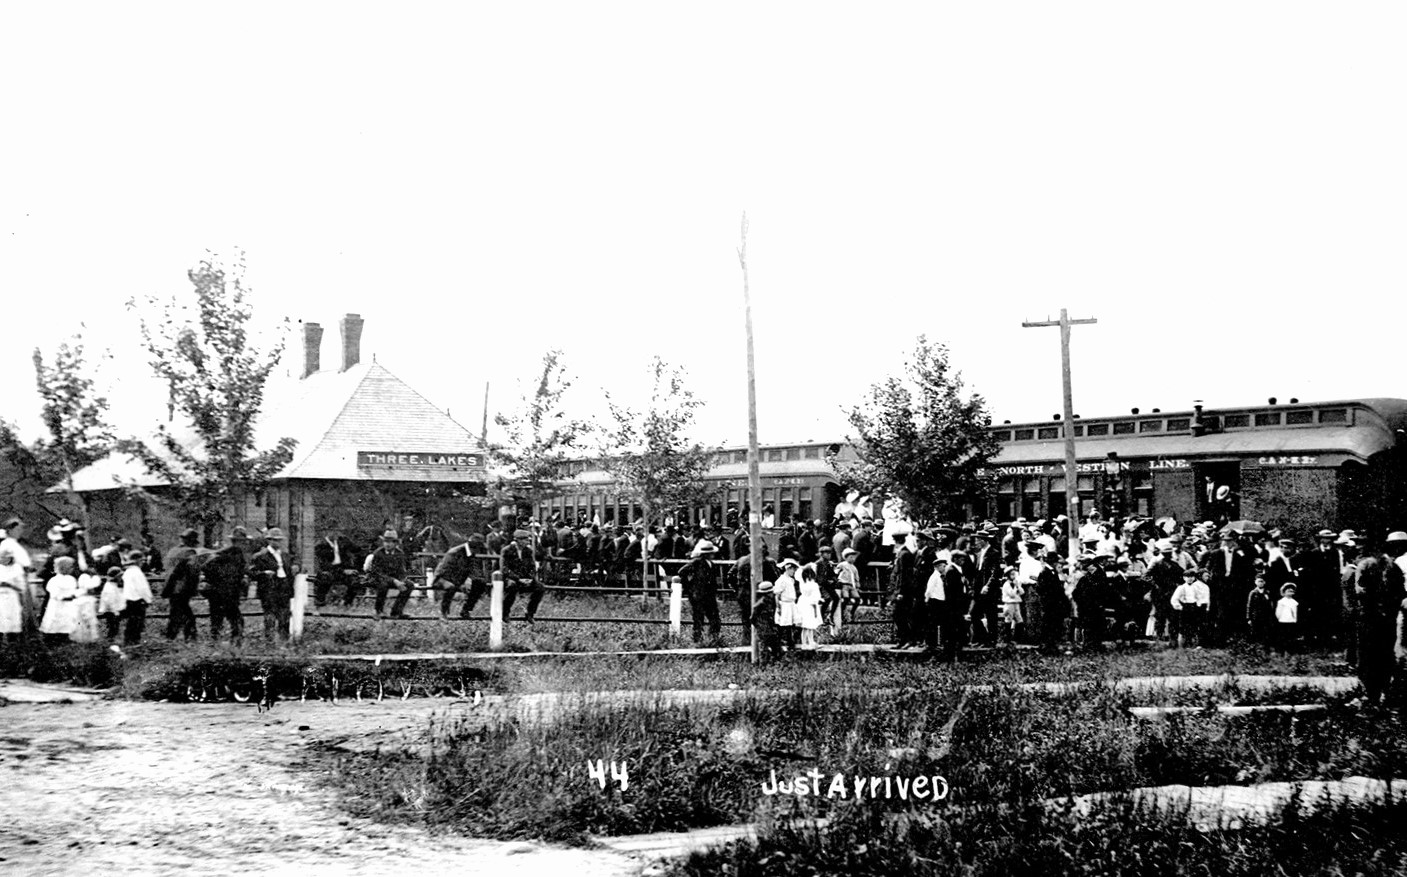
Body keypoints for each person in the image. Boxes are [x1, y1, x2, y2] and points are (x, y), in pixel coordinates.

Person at [1353, 533, 1407, 704]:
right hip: (1384, 619)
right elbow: (1400, 595)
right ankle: (1378, 694)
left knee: (1370, 655)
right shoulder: (1394, 568)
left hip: (1370, 618)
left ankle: (1371, 694)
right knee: (1383, 655)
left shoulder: (1366, 564)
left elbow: (1360, 591)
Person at [1203, 531, 1255, 645]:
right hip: (1219, 585)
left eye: (1230, 541)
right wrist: (1208, 577)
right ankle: (1219, 639)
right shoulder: (1216, 553)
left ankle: (1233, 637)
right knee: (1220, 611)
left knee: (1234, 611)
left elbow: (1246, 568)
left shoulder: (1240, 553)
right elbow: (1207, 567)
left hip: (1234, 585)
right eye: (1226, 541)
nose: (1228, 543)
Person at [202, 528, 249, 644]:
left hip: (228, 593)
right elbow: (207, 567)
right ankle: (230, 645)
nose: (243, 544)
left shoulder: (238, 554)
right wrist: (220, 580)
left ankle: (225, 644)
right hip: (223, 593)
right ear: (236, 541)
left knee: (221, 620)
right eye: (241, 541)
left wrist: (242, 578)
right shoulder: (224, 553)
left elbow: (240, 571)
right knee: (233, 620)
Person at [248, 528, 295, 642]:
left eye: (279, 540)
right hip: (269, 589)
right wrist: (264, 573)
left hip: (284, 588)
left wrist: (296, 567)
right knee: (270, 616)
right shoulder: (260, 556)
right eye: (274, 540)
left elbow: (294, 564)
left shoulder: (285, 556)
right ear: (269, 540)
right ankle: (270, 642)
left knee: (285, 616)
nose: (277, 542)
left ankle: (284, 642)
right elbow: (251, 572)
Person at [434, 533, 491, 619]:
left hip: (458, 580)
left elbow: (473, 569)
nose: (479, 550)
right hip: (442, 579)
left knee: (480, 583)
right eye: (479, 547)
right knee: (451, 587)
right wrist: (461, 584)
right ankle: (443, 612)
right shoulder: (455, 552)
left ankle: (466, 610)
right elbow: (444, 571)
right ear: (473, 546)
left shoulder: (471, 553)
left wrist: (475, 579)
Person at [677, 539, 722, 644]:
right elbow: (681, 572)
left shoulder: (712, 564)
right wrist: (689, 587)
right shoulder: (696, 562)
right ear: (706, 554)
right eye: (711, 553)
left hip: (709, 596)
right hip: (698, 596)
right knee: (698, 619)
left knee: (715, 618)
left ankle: (713, 638)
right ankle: (697, 640)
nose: (713, 554)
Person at [162, 528, 202, 641]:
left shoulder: (172, 551)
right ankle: (190, 638)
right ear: (191, 541)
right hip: (183, 588)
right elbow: (193, 570)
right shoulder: (190, 552)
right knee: (186, 614)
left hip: (170, 586)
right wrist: (194, 587)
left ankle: (171, 637)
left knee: (175, 613)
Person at [500, 528, 545, 623]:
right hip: (511, 578)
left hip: (525, 579)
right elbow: (504, 568)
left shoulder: (528, 551)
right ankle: (505, 613)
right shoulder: (507, 550)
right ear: (518, 540)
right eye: (525, 539)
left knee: (540, 588)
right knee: (512, 587)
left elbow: (532, 567)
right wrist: (518, 579)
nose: (528, 541)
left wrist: (530, 578)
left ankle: (530, 613)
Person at [314, 522, 359, 609]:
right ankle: (320, 604)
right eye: (332, 530)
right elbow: (325, 565)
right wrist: (343, 571)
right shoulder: (321, 545)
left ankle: (346, 603)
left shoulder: (342, 541)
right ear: (326, 531)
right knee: (325, 577)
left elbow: (357, 549)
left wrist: (351, 568)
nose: (335, 533)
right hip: (328, 571)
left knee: (356, 581)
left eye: (337, 530)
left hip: (343, 572)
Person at [39, 556, 80, 643]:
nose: (71, 569)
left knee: (67, 619)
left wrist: (74, 595)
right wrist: (63, 597)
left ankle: (64, 636)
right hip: (57, 604)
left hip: (68, 604)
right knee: (55, 619)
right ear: (63, 568)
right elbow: (53, 592)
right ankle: (51, 637)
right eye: (70, 567)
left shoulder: (71, 579)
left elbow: (73, 590)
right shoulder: (54, 580)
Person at [120, 549, 154, 645]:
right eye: (142, 560)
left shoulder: (127, 572)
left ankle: (128, 642)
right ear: (137, 561)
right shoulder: (137, 572)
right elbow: (143, 588)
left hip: (128, 601)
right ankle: (134, 643)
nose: (143, 563)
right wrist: (148, 599)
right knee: (137, 624)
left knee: (131, 623)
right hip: (138, 601)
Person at [1169, 567, 1204, 649]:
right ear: (1184, 578)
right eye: (1188, 577)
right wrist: (1180, 607)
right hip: (1185, 608)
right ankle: (1182, 645)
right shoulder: (1181, 588)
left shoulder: (1196, 587)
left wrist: (1198, 605)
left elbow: (1200, 597)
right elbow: (1174, 599)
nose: (1190, 579)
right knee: (1184, 627)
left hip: (1194, 607)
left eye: (1192, 577)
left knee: (1194, 626)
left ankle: (1193, 645)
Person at [0, 548, 28, 642]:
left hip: (12, 597)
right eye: (1, 557)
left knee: (12, 617)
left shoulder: (16, 568)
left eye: (6, 558)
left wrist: (10, 585)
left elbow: (21, 587)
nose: (3, 559)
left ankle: (13, 639)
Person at [774, 557, 801, 651]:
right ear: (788, 568)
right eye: (793, 569)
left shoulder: (791, 580)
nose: (793, 571)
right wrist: (778, 607)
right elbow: (777, 595)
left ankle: (791, 642)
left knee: (791, 624)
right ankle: (781, 643)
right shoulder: (781, 580)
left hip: (791, 604)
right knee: (784, 624)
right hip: (784, 604)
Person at [752, 579, 781, 663]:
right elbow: (753, 618)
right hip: (763, 628)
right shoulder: (760, 604)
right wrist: (759, 625)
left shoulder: (772, 602)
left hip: (771, 627)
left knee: (775, 645)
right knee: (763, 647)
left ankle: (776, 661)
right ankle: (763, 664)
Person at [796, 565, 823, 648]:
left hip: (802, 603)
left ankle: (805, 643)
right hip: (810, 604)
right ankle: (809, 642)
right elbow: (816, 596)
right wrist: (816, 602)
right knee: (809, 625)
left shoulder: (802, 583)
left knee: (805, 625)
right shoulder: (813, 585)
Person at [835, 547, 861, 632]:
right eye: (850, 557)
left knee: (857, 599)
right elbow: (836, 572)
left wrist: (857, 585)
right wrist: (838, 578)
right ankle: (841, 613)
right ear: (846, 557)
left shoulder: (854, 568)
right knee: (846, 598)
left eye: (853, 557)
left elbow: (856, 577)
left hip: (851, 585)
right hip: (844, 584)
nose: (852, 559)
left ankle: (851, 613)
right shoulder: (842, 565)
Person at [1245, 574, 1274, 647]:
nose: (1260, 583)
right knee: (1255, 630)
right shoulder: (1253, 593)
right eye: (1259, 581)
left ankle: (1264, 646)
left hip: (1265, 616)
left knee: (1265, 631)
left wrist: (1271, 616)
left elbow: (1270, 605)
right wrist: (1249, 618)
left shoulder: (1267, 592)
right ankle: (1254, 646)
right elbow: (1249, 605)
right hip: (1255, 615)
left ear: (1264, 582)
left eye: (1262, 581)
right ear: (1255, 582)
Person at [1000, 567, 1024, 645]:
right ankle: (1007, 639)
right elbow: (1012, 594)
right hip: (1009, 603)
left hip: (1016, 603)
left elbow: (1022, 592)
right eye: (1012, 574)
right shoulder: (1006, 585)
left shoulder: (1016, 583)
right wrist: (1015, 587)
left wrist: (1018, 586)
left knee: (1019, 619)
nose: (1014, 576)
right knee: (1008, 619)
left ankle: (1019, 638)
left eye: (1015, 574)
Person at [1275, 583, 1300, 652]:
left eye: (1291, 591)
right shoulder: (1281, 602)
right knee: (1283, 636)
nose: (1290, 592)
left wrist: (1294, 619)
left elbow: (1295, 612)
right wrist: (1279, 618)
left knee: (1291, 636)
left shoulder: (1294, 602)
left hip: (1291, 621)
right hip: (1283, 621)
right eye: (1288, 591)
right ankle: (1281, 650)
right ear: (1284, 592)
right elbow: (1278, 612)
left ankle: (1290, 649)